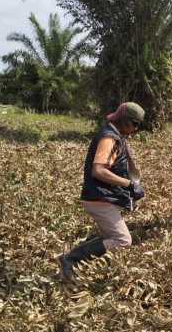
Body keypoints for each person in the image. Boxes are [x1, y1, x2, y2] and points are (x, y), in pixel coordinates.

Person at [58, 102, 146, 284]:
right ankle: (70, 258)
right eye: (133, 124)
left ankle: (87, 265)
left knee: (111, 237)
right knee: (122, 240)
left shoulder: (116, 134)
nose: (136, 129)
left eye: (138, 125)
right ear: (123, 120)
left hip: (104, 196)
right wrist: (129, 185)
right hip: (99, 197)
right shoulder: (109, 138)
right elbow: (98, 170)